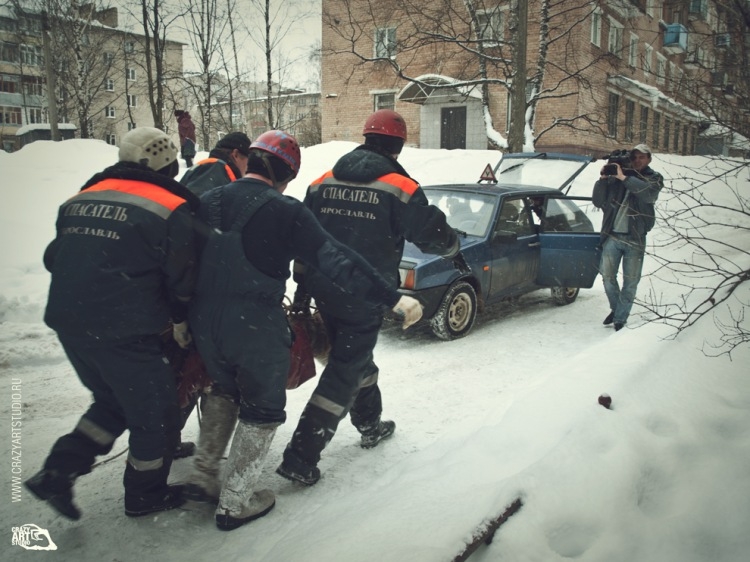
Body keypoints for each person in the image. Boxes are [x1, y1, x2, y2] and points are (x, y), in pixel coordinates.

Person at [183, 129, 423, 532]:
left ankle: (204, 476)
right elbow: (336, 259)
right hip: (254, 324)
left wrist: (180, 316)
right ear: (286, 175)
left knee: (223, 389)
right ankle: (235, 502)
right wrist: (390, 297)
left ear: (250, 159)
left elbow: (180, 259)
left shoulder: (208, 200)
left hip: (204, 320)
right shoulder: (285, 210)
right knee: (262, 408)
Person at [276, 109, 467, 487]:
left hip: (325, 288)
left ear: (366, 139)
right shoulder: (400, 187)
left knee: (354, 355)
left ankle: (369, 423)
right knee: (345, 369)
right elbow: (431, 233)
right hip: (366, 292)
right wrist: (453, 247)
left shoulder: (321, 182)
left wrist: (302, 286)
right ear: (398, 146)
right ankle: (301, 456)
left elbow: (303, 239)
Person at [24, 127, 200, 520]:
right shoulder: (171, 206)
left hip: (69, 321)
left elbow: (54, 258)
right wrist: (180, 319)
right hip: (124, 329)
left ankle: (57, 472)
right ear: (167, 162)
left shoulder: (81, 197)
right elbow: (182, 276)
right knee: (156, 414)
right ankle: (146, 494)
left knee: (114, 401)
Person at [592, 143, 663, 331]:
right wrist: (603, 179)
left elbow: (648, 195)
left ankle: (620, 319)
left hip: (635, 238)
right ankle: (619, 310)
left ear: (649, 159)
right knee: (607, 277)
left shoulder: (653, 178)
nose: (637, 160)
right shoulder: (615, 178)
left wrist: (624, 178)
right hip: (612, 236)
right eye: (634, 157)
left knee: (631, 281)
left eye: (642, 157)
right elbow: (598, 201)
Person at [179, 131, 251, 196]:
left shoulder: (205, 169)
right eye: (249, 160)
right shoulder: (216, 172)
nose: (249, 167)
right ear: (236, 155)